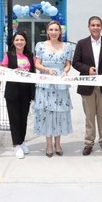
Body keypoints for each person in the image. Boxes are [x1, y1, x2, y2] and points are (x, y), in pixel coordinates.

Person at [73, 16, 102, 156]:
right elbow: (76, 62)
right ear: (89, 27)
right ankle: (89, 143)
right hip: (87, 86)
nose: (95, 27)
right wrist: (87, 69)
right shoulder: (82, 43)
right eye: (93, 25)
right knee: (89, 116)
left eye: (98, 25)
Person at [33, 20, 74, 158]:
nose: (54, 32)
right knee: (47, 113)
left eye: (56, 30)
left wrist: (65, 71)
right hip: (45, 83)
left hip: (60, 85)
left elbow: (68, 64)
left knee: (59, 113)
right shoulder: (40, 46)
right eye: (51, 29)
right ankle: (49, 144)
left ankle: (58, 143)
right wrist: (46, 69)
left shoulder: (67, 46)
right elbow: (37, 64)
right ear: (47, 31)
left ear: (60, 31)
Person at [0, 31, 35, 159]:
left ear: (25, 42)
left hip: (26, 91)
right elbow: (2, 70)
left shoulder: (30, 56)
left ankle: (22, 141)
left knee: (23, 119)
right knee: (14, 119)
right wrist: (12, 71)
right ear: (13, 42)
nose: (19, 42)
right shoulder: (8, 55)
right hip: (13, 91)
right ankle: (16, 145)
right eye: (17, 40)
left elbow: (34, 71)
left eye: (22, 40)